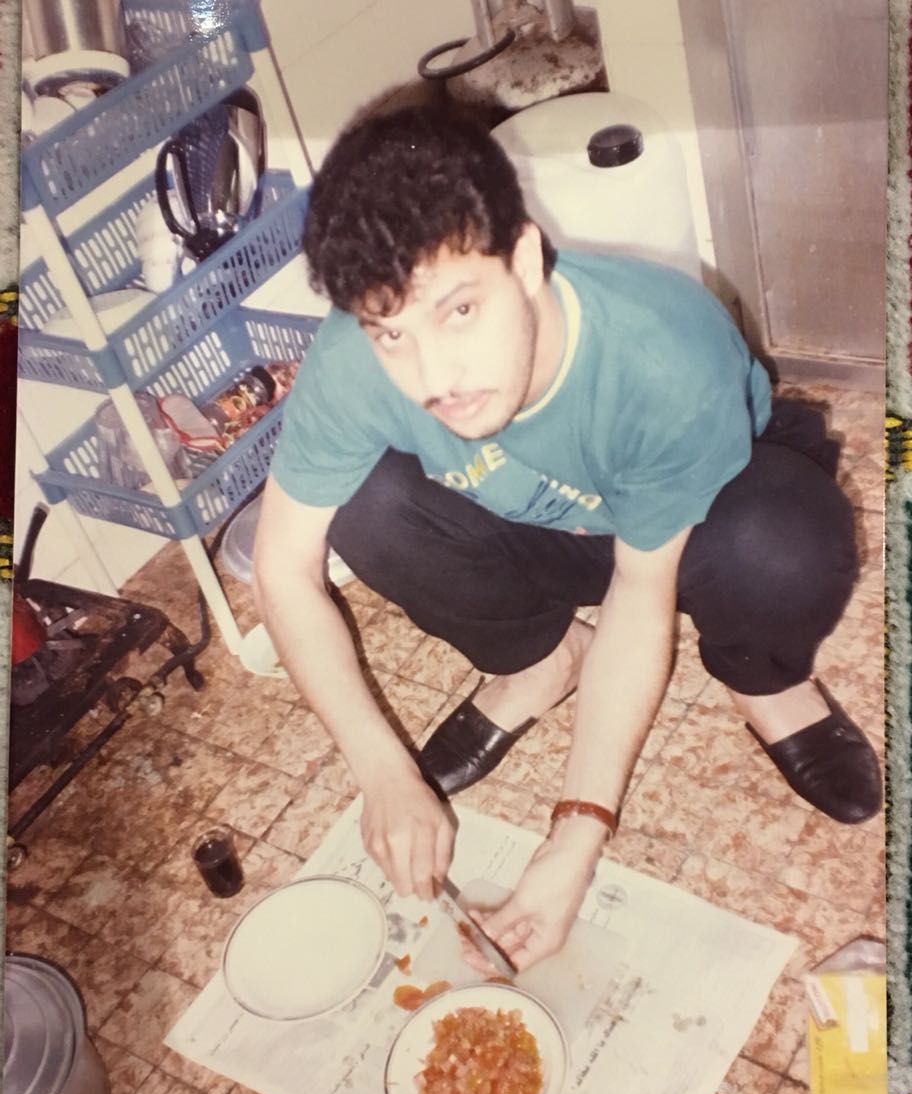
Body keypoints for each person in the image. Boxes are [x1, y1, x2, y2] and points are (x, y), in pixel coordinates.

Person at [253, 104, 881, 973]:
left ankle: (761, 679)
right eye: (392, 333)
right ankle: (542, 659)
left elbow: (639, 594)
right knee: (363, 503)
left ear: (524, 258)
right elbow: (283, 570)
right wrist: (382, 772)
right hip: (534, 517)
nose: (434, 377)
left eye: (460, 311)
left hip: (691, 524)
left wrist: (575, 836)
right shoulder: (356, 359)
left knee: (781, 545)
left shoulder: (662, 354)